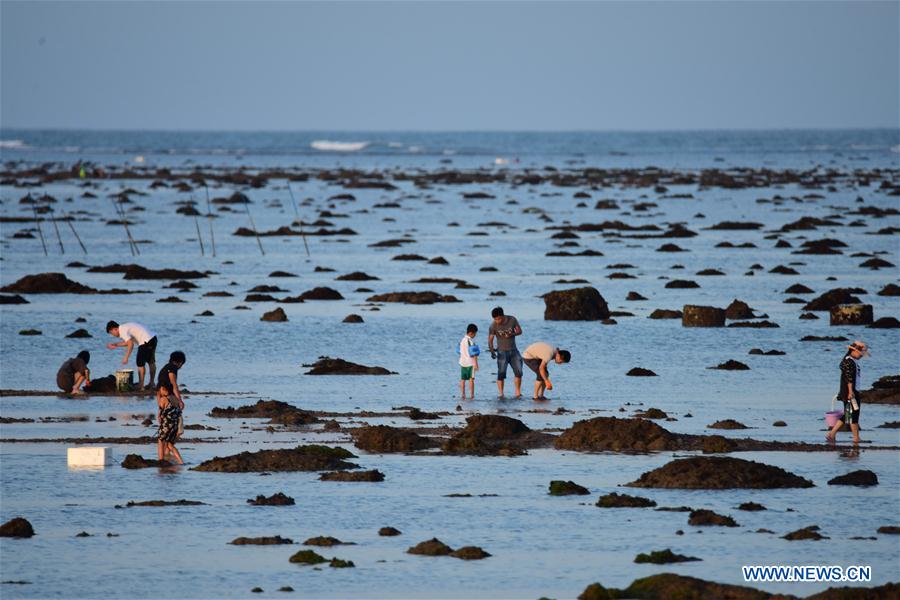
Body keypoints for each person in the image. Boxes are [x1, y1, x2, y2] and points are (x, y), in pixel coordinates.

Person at [827, 340, 870, 444]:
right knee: (853, 414)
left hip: (852, 391)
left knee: (848, 414)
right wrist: (851, 392)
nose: (861, 356)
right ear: (853, 351)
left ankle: (831, 434)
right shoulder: (848, 361)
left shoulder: (851, 361)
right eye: (861, 353)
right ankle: (856, 438)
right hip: (849, 392)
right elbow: (848, 378)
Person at [106, 321, 158, 390]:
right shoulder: (125, 327)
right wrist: (116, 344)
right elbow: (128, 342)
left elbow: (130, 344)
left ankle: (141, 385)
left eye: (112, 333)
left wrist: (126, 357)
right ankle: (151, 383)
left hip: (145, 341)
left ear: (114, 329)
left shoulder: (122, 330)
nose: (113, 335)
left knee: (140, 363)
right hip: (153, 338)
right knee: (151, 361)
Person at [487, 307, 523, 398]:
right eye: (495, 319)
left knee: (519, 372)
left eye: (498, 318)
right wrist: (492, 351)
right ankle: (501, 394)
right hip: (501, 352)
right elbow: (490, 340)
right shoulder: (493, 326)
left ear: (503, 316)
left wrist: (512, 334)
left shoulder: (512, 319)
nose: (497, 321)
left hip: (514, 351)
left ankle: (518, 393)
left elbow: (519, 331)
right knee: (501, 373)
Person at [156, 385, 184, 465]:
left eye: (160, 389)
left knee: (160, 440)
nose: (159, 391)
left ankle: (160, 460)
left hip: (166, 424)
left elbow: (160, 414)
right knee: (169, 445)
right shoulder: (175, 398)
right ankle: (181, 462)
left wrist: (160, 419)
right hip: (174, 425)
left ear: (164, 389)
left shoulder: (163, 399)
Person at [459, 324, 480, 399]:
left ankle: (463, 394)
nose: (475, 335)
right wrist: (476, 364)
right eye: (475, 333)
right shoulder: (471, 342)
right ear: (471, 333)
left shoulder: (462, 340)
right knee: (471, 379)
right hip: (470, 363)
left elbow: (459, 351)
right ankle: (472, 395)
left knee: (463, 379)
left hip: (462, 362)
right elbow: (474, 354)